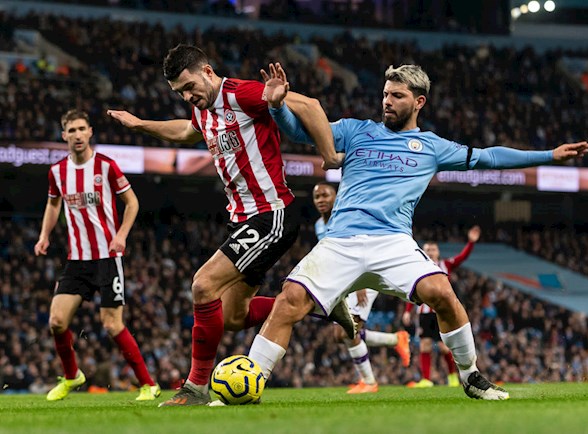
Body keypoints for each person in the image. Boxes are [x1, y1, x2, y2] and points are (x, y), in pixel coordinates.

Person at [247, 62, 588, 400]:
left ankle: (471, 376)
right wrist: (277, 106)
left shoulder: (432, 147)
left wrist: (549, 155)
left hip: (392, 242)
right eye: (385, 95)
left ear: (419, 102)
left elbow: (490, 158)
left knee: (441, 290)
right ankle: (251, 382)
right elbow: (300, 131)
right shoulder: (355, 130)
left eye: (397, 95)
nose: (387, 102)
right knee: (289, 301)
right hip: (341, 240)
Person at [107, 45, 352, 406]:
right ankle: (321, 302)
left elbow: (310, 106)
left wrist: (329, 156)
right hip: (242, 220)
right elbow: (186, 132)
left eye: (189, 86)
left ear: (207, 71)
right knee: (234, 316)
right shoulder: (202, 109)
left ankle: (195, 387)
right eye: (179, 93)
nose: (188, 96)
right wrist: (140, 124)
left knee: (203, 285)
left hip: (272, 214)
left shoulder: (242, 93)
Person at [35, 109, 160, 401]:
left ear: (90, 132)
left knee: (112, 323)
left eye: (82, 129)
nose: (77, 135)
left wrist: (121, 235)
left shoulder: (106, 166)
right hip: (76, 259)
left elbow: (132, 203)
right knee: (56, 322)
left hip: (107, 257)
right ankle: (71, 376)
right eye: (71, 130)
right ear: (63, 135)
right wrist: (44, 235)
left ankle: (148, 384)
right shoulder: (57, 172)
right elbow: (53, 206)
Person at [313, 182, 410, 394]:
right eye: (317, 196)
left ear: (336, 196)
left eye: (325, 195)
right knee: (340, 335)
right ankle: (396, 339)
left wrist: (360, 284)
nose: (321, 200)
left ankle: (369, 381)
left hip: (364, 276)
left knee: (349, 330)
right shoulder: (319, 226)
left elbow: (361, 251)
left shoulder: (347, 217)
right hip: (344, 280)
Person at [403, 226, 481, 388]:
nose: (430, 252)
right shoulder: (417, 268)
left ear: (438, 252)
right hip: (424, 312)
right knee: (424, 344)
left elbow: (461, 258)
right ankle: (426, 379)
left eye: (433, 249)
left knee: (444, 347)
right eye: (427, 249)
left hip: (441, 312)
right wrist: (407, 311)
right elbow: (411, 290)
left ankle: (452, 376)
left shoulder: (445, 265)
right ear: (422, 252)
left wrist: (471, 243)